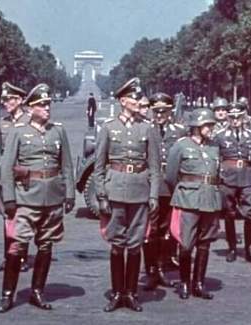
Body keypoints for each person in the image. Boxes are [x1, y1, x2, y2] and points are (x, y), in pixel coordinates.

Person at [0, 83, 75, 313]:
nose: (47, 108)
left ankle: (37, 291)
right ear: (30, 108)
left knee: (46, 245)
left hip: (52, 197)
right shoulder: (18, 132)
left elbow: (66, 165)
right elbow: (8, 167)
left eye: (48, 104)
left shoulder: (58, 131)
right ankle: (8, 294)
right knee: (17, 246)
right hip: (27, 197)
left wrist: (69, 194)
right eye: (41, 105)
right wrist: (9, 199)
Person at [93, 77, 160, 312]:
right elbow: (99, 165)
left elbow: (154, 166)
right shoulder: (109, 128)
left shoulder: (148, 128)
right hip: (115, 190)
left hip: (139, 191)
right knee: (116, 244)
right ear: (122, 101)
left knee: (135, 244)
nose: (137, 100)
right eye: (133, 97)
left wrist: (153, 195)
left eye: (138, 97)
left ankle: (131, 293)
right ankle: (117, 292)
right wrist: (101, 195)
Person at [166, 108, 222, 300]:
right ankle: (184, 282)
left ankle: (198, 283)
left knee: (205, 243)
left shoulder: (214, 146)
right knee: (186, 244)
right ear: (197, 126)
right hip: (188, 199)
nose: (211, 128)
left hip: (210, 199)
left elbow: (217, 173)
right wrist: (186, 191)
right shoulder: (181, 146)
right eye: (208, 125)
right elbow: (171, 176)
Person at [142, 92, 187, 291]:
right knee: (149, 230)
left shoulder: (179, 131)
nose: (159, 115)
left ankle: (161, 266)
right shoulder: (145, 130)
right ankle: (150, 269)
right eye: (156, 111)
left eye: (163, 112)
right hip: (149, 185)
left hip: (170, 186)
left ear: (170, 112)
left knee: (166, 230)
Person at [213, 102, 251, 264]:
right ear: (228, 118)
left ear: (244, 117)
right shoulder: (220, 135)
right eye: (232, 117)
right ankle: (232, 247)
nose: (235, 120)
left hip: (247, 177)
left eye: (238, 117)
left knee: (249, 213)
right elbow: (215, 158)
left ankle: (249, 248)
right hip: (228, 178)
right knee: (229, 213)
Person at [0, 82, 30, 273]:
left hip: (23, 176)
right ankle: (9, 256)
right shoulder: (3, 122)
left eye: (10, 99)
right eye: (5, 99)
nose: (6, 102)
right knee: (7, 216)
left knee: (23, 217)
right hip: (5, 176)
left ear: (20, 100)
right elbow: (2, 149)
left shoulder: (30, 120)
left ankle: (22, 256)